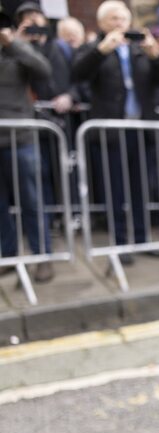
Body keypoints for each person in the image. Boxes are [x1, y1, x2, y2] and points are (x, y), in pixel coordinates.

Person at [71, 0, 159, 264]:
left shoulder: (141, 50)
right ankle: (119, 243)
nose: (119, 24)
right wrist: (101, 51)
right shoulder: (95, 48)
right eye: (114, 19)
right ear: (103, 23)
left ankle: (141, 238)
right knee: (115, 188)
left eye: (123, 19)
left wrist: (156, 56)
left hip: (140, 129)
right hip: (111, 132)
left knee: (141, 188)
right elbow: (77, 74)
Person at [0, 11, 53, 282]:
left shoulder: (18, 51)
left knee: (31, 201)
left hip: (20, 139)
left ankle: (42, 256)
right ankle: (8, 256)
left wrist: (13, 43)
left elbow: (43, 70)